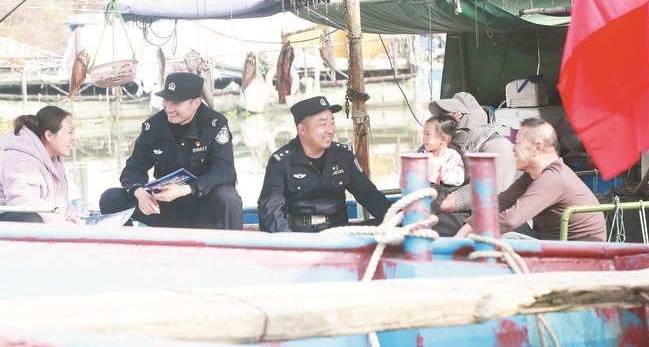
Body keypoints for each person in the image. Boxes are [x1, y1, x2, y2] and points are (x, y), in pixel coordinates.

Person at [99, 72, 243, 229]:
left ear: (195, 103)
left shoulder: (215, 125)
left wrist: (186, 189)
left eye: (176, 103)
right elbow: (133, 169)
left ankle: (232, 244)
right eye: (166, 100)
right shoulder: (153, 126)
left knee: (228, 197)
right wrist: (140, 193)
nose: (168, 108)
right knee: (110, 198)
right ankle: (131, 243)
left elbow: (224, 171)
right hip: (166, 206)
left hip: (205, 206)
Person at [455, 118, 606, 241]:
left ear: (537, 148)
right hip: (551, 242)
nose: (513, 148)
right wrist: (460, 235)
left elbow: (510, 220)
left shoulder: (553, 177)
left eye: (518, 143)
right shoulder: (532, 176)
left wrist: (471, 235)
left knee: (507, 238)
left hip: (577, 253)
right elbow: (498, 204)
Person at [257, 95, 391, 232]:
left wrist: (394, 220)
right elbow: (270, 209)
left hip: (339, 232)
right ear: (302, 129)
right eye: (323, 124)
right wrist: (288, 239)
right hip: (299, 234)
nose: (330, 130)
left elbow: (369, 195)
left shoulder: (343, 156)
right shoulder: (281, 162)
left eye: (332, 123)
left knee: (388, 225)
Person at [426, 92, 519, 236]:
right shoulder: (453, 148)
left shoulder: (498, 145)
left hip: (504, 219)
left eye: (448, 117)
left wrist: (446, 203)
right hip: (468, 215)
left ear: (465, 118)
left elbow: (493, 192)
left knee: (442, 229)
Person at [0, 105, 81, 225]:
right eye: (69, 132)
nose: (73, 138)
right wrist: (64, 225)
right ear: (49, 136)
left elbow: (61, 202)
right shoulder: (19, 161)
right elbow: (23, 204)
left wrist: (72, 216)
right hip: (11, 223)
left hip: (41, 224)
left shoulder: (55, 163)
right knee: (31, 218)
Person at [420, 115, 466, 212]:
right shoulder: (424, 155)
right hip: (423, 190)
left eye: (428, 135)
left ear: (443, 139)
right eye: (423, 134)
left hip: (442, 190)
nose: (424, 138)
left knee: (438, 192)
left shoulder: (452, 156)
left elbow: (459, 178)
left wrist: (443, 174)